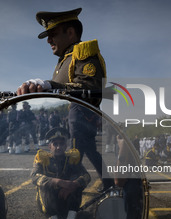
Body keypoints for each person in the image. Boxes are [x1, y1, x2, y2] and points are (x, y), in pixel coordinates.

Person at [17, 7, 111, 192]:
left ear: (70, 33)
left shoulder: (82, 53)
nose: (49, 40)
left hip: (82, 117)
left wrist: (51, 86)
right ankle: (107, 186)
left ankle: (67, 196)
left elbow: (90, 88)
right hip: (79, 116)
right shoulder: (65, 59)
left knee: (71, 158)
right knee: (89, 154)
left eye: (52, 34)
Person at [31, 127, 91, 219]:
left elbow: (86, 176)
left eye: (61, 144)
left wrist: (73, 185)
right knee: (43, 187)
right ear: (49, 146)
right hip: (49, 203)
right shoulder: (42, 159)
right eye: (55, 144)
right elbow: (34, 177)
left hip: (67, 201)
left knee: (77, 184)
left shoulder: (72, 158)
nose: (58, 147)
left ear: (66, 145)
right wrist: (58, 182)